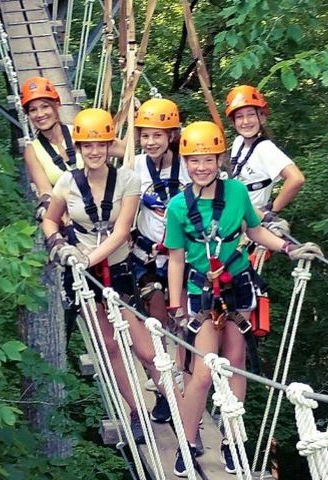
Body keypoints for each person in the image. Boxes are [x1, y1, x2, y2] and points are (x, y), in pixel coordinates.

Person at [164, 121, 322, 476]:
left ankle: (233, 441)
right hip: (201, 292)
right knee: (202, 374)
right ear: (186, 162)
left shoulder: (236, 193)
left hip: (236, 286)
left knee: (236, 366)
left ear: (221, 159)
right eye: (194, 160)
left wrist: (287, 249)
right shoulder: (177, 207)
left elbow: (254, 230)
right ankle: (188, 442)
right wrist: (175, 307)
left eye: (208, 159)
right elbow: (176, 257)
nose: (201, 167)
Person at [40, 108, 162, 444]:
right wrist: (58, 244)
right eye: (87, 145)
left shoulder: (128, 180)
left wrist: (85, 258)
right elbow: (51, 219)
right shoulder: (67, 182)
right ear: (78, 148)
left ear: (110, 145)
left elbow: (122, 232)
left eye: (100, 144)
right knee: (109, 346)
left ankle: (171, 401)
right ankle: (137, 410)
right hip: (82, 276)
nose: (94, 151)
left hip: (117, 271)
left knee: (146, 350)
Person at [130, 98, 191, 411]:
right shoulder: (136, 165)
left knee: (180, 322)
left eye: (158, 135)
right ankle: (164, 387)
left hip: (183, 255)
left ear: (172, 136)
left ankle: (180, 382)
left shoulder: (190, 164)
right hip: (149, 257)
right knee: (156, 320)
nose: (151, 141)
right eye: (145, 135)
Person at [224, 85, 305, 230]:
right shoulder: (238, 142)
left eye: (250, 115)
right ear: (233, 122)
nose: (245, 122)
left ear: (261, 117)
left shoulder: (265, 149)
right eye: (239, 117)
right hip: (233, 215)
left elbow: (296, 179)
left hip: (251, 223)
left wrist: (270, 211)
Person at [20, 76, 83, 220]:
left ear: (57, 105)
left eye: (45, 106)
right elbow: (45, 190)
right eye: (33, 110)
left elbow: (123, 150)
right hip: (67, 215)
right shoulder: (32, 151)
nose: (40, 114)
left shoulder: (80, 132)